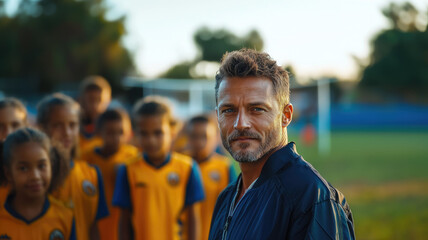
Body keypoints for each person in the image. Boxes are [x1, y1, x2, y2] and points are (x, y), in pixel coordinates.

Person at [208, 49, 355, 240]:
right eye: (228, 110)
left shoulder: (310, 197)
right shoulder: (226, 198)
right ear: (217, 116)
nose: (240, 123)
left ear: (286, 115)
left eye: (257, 109)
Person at [113, 96, 205, 240]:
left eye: (158, 133)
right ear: (136, 133)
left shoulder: (188, 168)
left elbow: (193, 219)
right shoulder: (128, 170)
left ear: (172, 132)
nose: (151, 140)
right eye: (144, 133)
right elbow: (124, 221)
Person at [37, 93, 109, 240]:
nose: (67, 133)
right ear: (42, 128)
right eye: (58, 125)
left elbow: (94, 228)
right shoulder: (36, 176)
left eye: (72, 125)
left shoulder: (92, 174)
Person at [0, 128, 76, 239]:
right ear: (8, 173)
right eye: (23, 168)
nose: (35, 176)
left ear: (52, 165)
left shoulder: (65, 218)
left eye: (41, 166)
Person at [80, 108, 139, 240]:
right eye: (110, 132)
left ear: (129, 132)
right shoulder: (86, 158)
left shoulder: (133, 157)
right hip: (95, 224)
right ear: (99, 133)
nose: (117, 138)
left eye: (121, 132)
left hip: (122, 225)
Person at [184, 114, 237, 240]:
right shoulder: (180, 166)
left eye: (204, 137)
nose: (199, 142)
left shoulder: (224, 167)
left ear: (216, 139)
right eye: (194, 136)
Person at [0, 97, 28, 204]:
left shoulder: (39, 168)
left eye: (15, 125)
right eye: (0, 126)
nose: (8, 133)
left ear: (26, 127)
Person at [79, 75, 112, 153]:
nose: (95, 105)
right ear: (82, 100)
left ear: (109, 100)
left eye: (99, 100)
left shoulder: (116, 127)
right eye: (90, 100)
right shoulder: (75, 128)